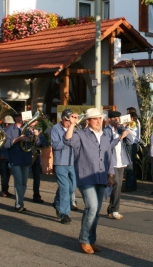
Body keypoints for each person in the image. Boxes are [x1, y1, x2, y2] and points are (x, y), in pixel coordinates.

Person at [63, 108, 114, 254]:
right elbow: (67, 140)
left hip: (101, 176)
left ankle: (91, 240)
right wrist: (72, 124)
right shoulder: (81, 134)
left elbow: (109, 157)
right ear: (88, 121)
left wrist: (110, 175)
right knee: (91, 207)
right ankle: (84, 240)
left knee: (96, 211)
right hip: (86, 177)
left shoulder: (105, 136)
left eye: (100, 118)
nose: (99, 121)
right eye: (95, 119)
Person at [4, 115, 38, 213]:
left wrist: (35, 136)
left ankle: (20, 202)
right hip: (15, 158)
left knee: (24, 182)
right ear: (16, 118)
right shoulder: (11, 129)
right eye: (19, 117)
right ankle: (19, 204)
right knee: (18, 181)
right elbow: (6, 144)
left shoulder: (28, 129)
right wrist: (18, 139)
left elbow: (36, 143)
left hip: (26, 158)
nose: (21, 119)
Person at [51, 108, 78, 224]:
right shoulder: (55, 128)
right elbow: (56, 145)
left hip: (73, 162)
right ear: (62, 118)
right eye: (67, 120)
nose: (68, 122)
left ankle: (57, 202)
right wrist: (67, 136)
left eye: (70, 120)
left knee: (72, 188)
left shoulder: (75, 129)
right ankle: (64, 214)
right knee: (65, 188)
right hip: (61, 162)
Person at [104, 110, 131, 220]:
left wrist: (126, 130)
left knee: (117, 186)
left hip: (121, 160)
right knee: (116, 185)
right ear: (110, 119)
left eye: (118, 119)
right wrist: (120, 137)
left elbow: (130, 142)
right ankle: (114, 210)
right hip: (112, 161)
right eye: (115, 119)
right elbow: (108, 146)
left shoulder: (120, 129)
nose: (117, 121)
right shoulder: (106, 131)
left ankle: (112, 209)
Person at [29, 118, 46, 204]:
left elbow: (43, 143)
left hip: (36, 156)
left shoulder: (38, 131)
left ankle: (36, 195)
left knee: (37, 177)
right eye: (34, 121)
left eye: (36, 121)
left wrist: (37, 136)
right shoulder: (25, 130)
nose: (35, 123)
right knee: (23, 178)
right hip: (27, 155)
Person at [123, 109, 140, 192]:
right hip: (134, 144)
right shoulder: (137, 122)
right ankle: (133, 185)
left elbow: (127, 131)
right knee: (132, 166)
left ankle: (129, 185)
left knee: (129, 166)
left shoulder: (132, 123)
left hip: (131, 145)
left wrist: (124, 125)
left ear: (132, 118)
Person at [0, 115, 14, 198]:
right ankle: (4, 191)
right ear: (7, 124)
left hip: (9, 156)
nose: (12, 126)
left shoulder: (11, 132)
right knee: (4, 175)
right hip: (3, 156)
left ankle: (6, 190)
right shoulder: (1, 132)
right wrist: (0, 155)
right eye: (10, 124)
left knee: (8, 174)